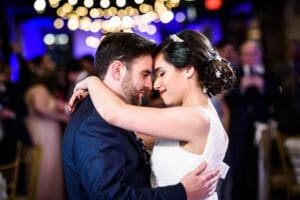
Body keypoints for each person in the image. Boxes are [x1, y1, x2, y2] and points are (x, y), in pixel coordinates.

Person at [68, 30, 236, 199]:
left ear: (188, 70)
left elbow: (116, 113)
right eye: (149, 74)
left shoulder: (197, 119)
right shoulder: (192, 118)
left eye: (161, 73)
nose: (155, 84)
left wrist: (93, 81)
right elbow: (133, 137)